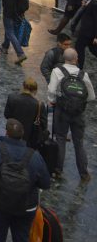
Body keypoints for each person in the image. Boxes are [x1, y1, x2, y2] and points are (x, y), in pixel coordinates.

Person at [0, 119, 51, 242]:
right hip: (26, 206)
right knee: (22, 236)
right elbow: (46, 183)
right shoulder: (35, 156)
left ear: (6, 133)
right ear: (22, 135)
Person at [47, 47, 95, 182]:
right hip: (78, 113)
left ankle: (58, 170)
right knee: (79, 142)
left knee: (61, 139)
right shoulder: (83, 74)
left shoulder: (57, 71)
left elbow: (51, 92)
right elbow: (91, 96)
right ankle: (84, 173)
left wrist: (52, 102)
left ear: (63, 58)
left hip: (62, 111)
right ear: (76, 59)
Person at [4, 78, 47, 152]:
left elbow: (7, 115)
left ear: (23, 87)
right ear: (35, 90)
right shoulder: (39, 105)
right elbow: (43, 125)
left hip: (12, 134)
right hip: (29, 140)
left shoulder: (12, 98)